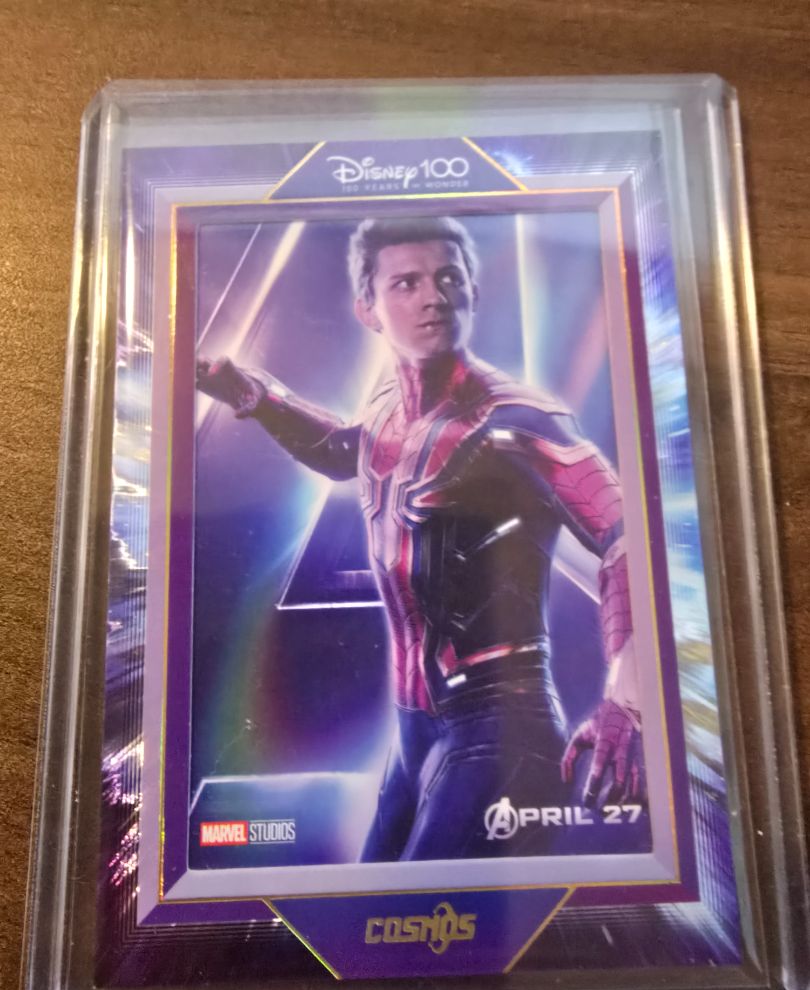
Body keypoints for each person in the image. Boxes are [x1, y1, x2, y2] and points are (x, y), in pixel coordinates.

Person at [197, 216, 642, 862]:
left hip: (502, 730)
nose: (433, 297)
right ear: (368, 309)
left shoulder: (519, 421)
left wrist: (625, 698)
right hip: (413, 736)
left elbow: (629, 534)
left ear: (472, 292)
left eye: (448, 278)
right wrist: (256, 395)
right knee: (369, 910)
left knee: (418, 917)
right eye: (405, 283)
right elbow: (346, 451)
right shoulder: (387, 408)